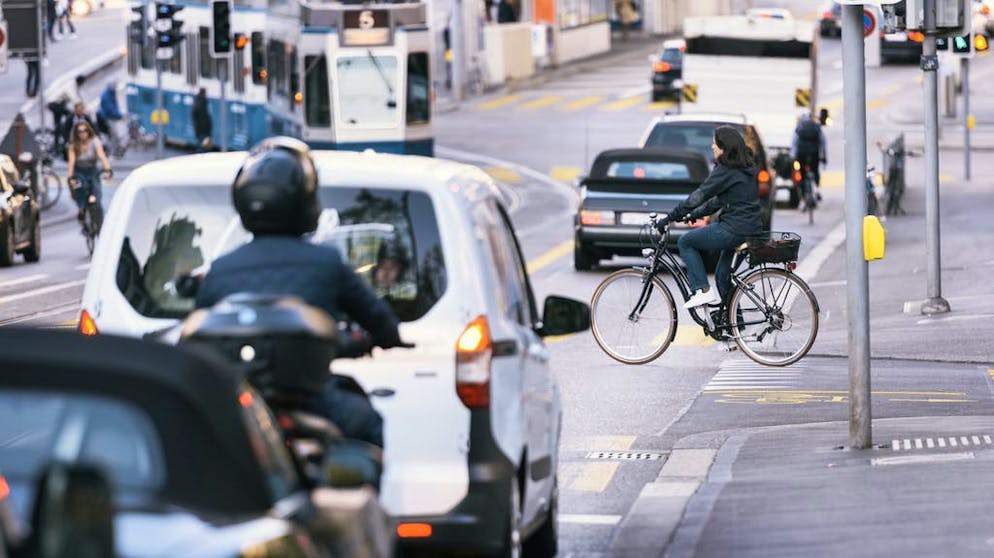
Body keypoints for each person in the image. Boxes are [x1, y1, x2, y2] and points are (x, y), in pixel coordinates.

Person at [195, 137, 408, 445]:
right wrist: (386, 338)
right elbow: (379, 319)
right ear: (305, 202)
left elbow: (199, 331)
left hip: (242, 406)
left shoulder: (222, 268)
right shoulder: (326, 262)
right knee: (369, 426)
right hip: (312, 401)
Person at [655, 125, 764, 309]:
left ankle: (702, 291)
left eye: (715, 143)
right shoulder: (743, 169)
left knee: (685, 242)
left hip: (733, 229)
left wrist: (670, 217)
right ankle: (735, 328)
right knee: (722, 277)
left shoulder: (725, 170)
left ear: (724, 147)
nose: (712, 147)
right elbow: (718, 202)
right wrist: (693, 215)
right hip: (749, 228)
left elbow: (700, 195)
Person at [66, 121, 112, 222]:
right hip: (79, 171)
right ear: (76, 133)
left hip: (92, 170)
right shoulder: (73, 144)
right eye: (80, 131)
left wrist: (108, 170)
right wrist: (70, 177)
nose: (83, 133)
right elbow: (71, 162)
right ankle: (81, 209)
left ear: (89, 131)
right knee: (80, 189)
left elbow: (102, 156)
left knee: (97, 192)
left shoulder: (95, 141)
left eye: (85, 130)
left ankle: (99, 223)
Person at [791, 109, 826, 196]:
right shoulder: (816, 127)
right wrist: (824, 156)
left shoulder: (799, 128)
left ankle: (803, 196)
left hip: (801, 155)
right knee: (815, 170)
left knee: (801, 173)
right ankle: (817, 190)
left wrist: (793, 156)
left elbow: (794, 143)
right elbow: (823, 142)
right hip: (814, 154)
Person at [96, 82, 124, 155]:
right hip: (108, 118)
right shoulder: (107, 95)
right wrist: (119, 116)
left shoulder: (111, 93)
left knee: (113, 135)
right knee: (113, 135)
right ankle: (111, 151)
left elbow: (114, 106)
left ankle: (113, 150)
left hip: (110, 117)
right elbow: (110, 108)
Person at [191, 88, 212, 152]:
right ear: (204, 93)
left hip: (199, 127)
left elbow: (194, 115)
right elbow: (207, 115)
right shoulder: (203, 102)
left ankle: (199, 153)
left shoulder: (196, 101)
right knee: (203, 144)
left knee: (201, 142)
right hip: (204, 127)